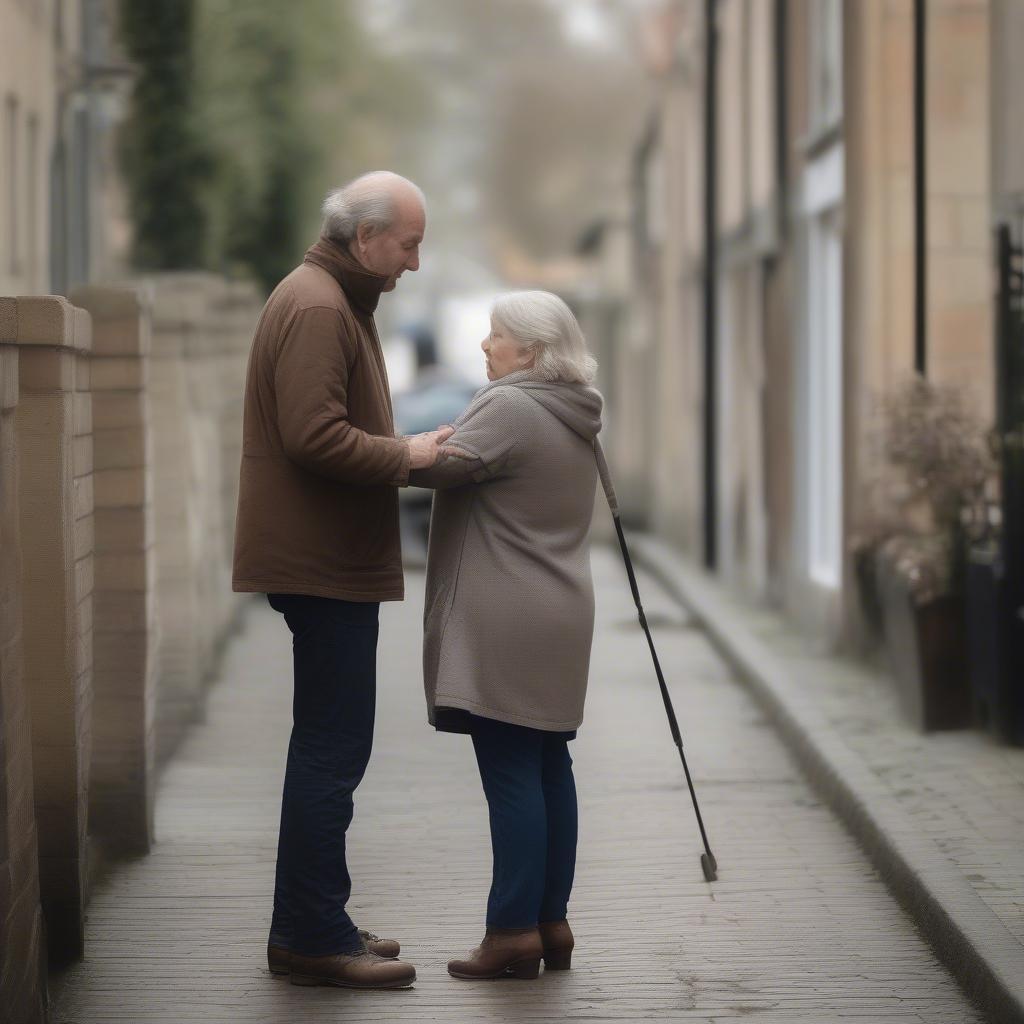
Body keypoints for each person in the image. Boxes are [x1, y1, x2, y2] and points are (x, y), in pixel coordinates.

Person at [232, 171, 452, 990]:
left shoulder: (329, 295)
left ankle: (310, 922)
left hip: (325, 560)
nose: (415, 263)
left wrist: (410, 449)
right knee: (332, 752)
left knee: (326, 748)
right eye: (409, 243)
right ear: (365, 239)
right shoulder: (322, 306)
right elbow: (314, 436)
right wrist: (411, 455)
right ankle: (315, 937)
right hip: (322, 564)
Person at [408, 290, 603, 980]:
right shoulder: (576, 410)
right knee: (550, 766)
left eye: (497, 336)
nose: (485, 347)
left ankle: (513, 930)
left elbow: (432, 466)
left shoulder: (513, 405)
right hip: (560, 607)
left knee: (513, 771)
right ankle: (552, 922)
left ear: (533, 353)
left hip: (508, 612)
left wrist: (375, 446)